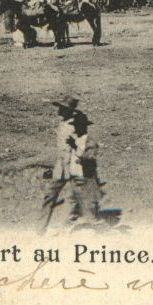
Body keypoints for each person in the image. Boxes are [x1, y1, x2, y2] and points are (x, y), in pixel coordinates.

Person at [39, 97, 101, 233]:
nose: (59, 110)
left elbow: (83, 148)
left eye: (62, 108)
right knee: (49, 195)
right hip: (60, 168)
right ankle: (40, 229)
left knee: (79, 199)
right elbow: (61, 149)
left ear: (69, 111)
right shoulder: (62, 124)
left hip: (74, 168)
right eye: (60, 107)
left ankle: (92, 227)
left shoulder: (77, 126)